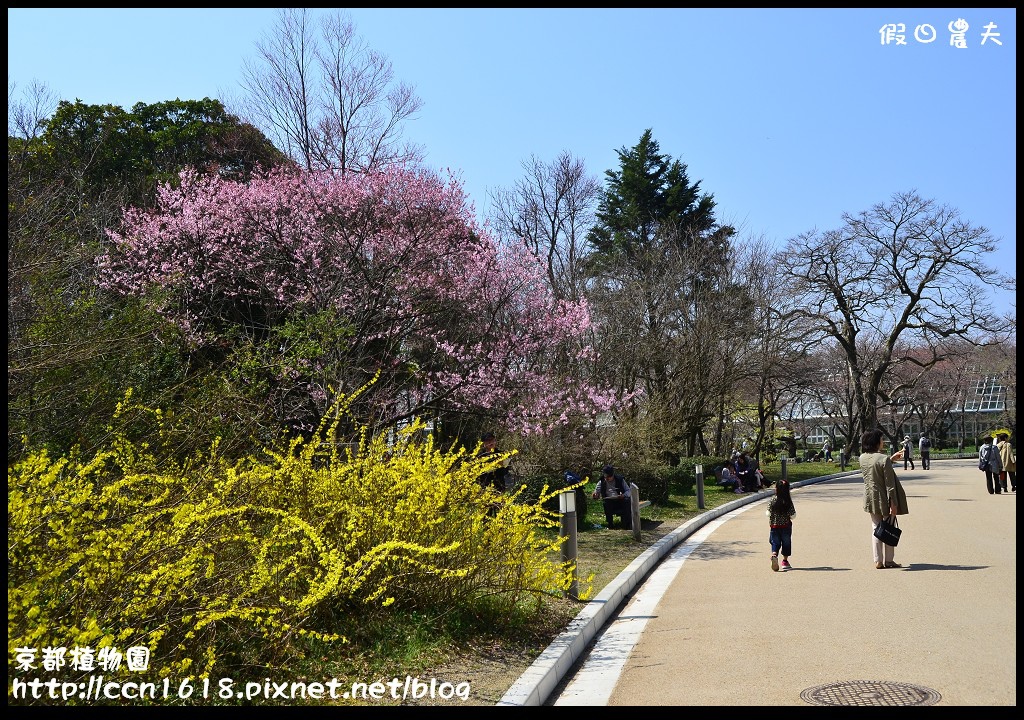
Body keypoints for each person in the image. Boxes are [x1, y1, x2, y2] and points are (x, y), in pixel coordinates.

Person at [859, 429, 909, 569]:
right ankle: (889, 560)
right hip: (884, 498)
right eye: (881, 439)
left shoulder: (862, 458)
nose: (883, 442)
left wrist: (890, 460)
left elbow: (875, 469)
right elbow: (889, 484)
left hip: (869, 498)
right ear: (875, 442)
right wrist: (894, 502)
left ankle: (878, 560)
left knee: (876, 527)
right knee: (888, 527)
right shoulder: (883, 459)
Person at [766, 479, 797, 571]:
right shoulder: (787, 501)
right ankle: (785, 561)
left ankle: (774, 554)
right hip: (786, 526)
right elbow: (793, 515)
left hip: (774, 526)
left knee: (775, 542)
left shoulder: (773, 499)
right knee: (786, 543)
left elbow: (768, 512)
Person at [592, 464, 631, 529]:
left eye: (609, 477)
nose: (607, 478)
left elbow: (629, 491)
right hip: (609, 501)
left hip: (620, 500)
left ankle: (627, 524)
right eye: (606, 477)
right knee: (606, 503)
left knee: (627, 501)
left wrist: (623, 495)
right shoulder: (601, 481)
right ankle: (610, 524)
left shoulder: (620, 480)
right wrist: (595, 495)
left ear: (612, 475)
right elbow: (596, 492)